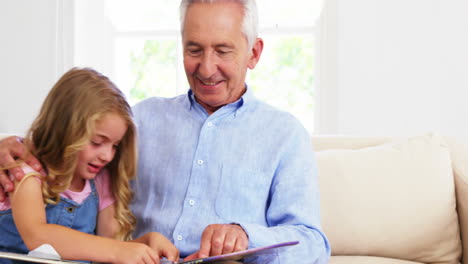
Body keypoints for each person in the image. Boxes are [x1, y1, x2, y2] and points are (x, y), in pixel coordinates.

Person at [0, 0, 330, 263]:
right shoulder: (140, 120)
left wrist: (246, 235)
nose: (206, 68)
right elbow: (67, 144)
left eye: (223, 51)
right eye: (194, 49)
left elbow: (314, 244)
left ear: (254, 53)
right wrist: (10, 147)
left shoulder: (285, 135)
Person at [0, 68, 179, 264]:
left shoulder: (101, 181)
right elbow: (37, 235)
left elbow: (107, 249)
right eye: (97, 142)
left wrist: (145, 244)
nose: (107, 156)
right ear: (64, 130)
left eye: (115, 146)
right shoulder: (27, 171)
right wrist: (120, 251)